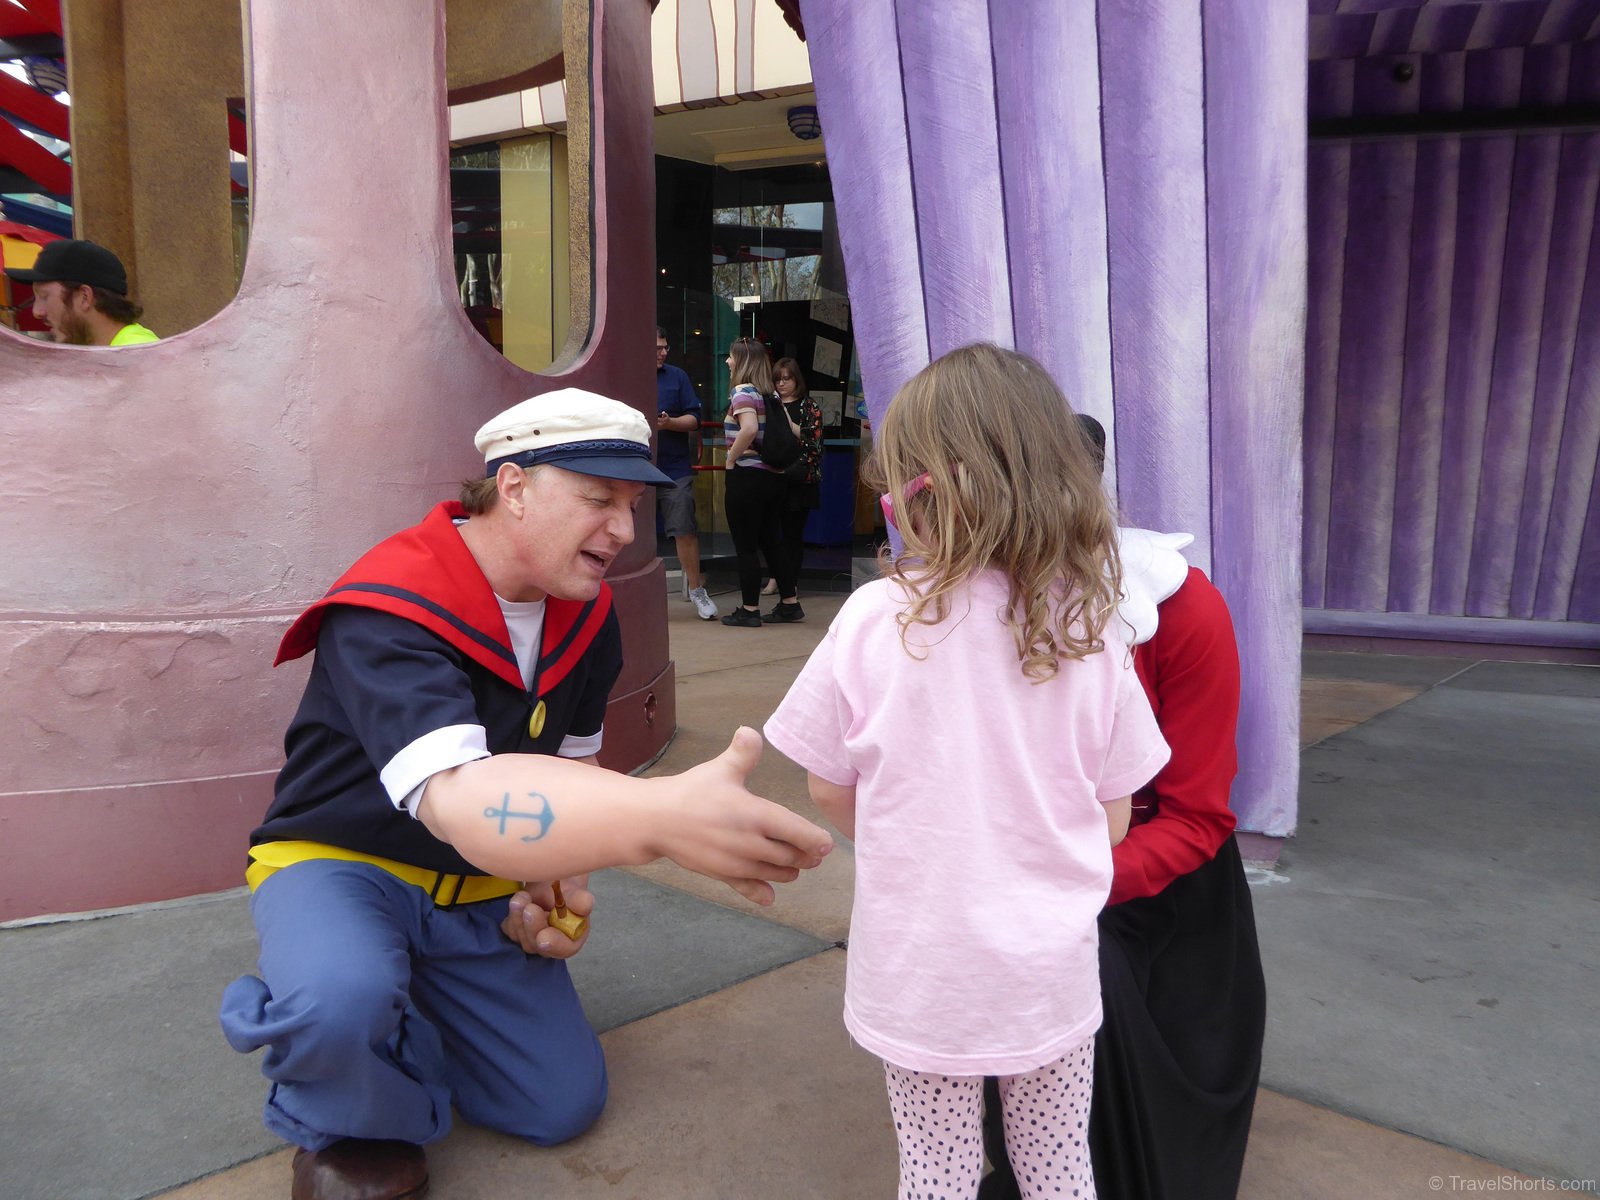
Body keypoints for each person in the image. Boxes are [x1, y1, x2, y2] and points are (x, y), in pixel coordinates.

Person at [219, 387, 833, 1200]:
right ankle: (342, 1087)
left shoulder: (588, 615)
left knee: (557, 1104)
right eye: (598, 499)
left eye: (631, 505)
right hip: (342, 864)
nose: (624, 529)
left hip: (480, 888)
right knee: (341, 998)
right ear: (513, 486)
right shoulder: (392, 602)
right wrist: (660, 816)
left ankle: (391, 1009)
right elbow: (457, 797)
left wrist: (556, 892)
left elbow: (572, 775)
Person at [764, 344, 1171, 1199]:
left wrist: (913, 839)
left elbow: (828, 784)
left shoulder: (873, 621)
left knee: (937, 1167)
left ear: (921, 497)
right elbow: (1116, 812)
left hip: (922, 970)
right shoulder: (1094, 629)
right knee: (1058, 1162)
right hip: (1050, 972)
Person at [977, 415, 1267, 1200]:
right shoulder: (969, 606)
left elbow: (1197, 817)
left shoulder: (1180, 609)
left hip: (1162, 891)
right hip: (1032, 878)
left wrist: (1063, 888)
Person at [719, 337, 802, 627]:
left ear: (742, 362)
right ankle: (790, 603)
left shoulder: (742, 392)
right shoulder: (772, 395)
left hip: (747, 477)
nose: (728, 361)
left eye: (731, 357)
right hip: (774, 478)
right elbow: (795, 431)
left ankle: (749, 609)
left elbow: (749, 428)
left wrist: (731, 459)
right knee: (771, 542)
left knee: (745, 546)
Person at [655, 326, 718, 620]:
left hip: (674, 467)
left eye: (665, 347)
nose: (663, 352)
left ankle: (696, 589)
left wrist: (670, 423)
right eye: (657, 348)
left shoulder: (677, 376)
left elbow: (694, 419)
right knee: (624, 531)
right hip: (635, 467)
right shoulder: (628, 373)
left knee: (684, 528)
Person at [2, 238, 159, 346]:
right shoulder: (112, 353)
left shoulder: (136, 354)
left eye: (44, 296)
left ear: (85, 297)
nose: (37, 312)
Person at [770, 357, 823, 618]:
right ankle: (775, 577)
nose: (781, 384)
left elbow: (813, 442)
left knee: (792, 534)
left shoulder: (808, 405)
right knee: (770, 533)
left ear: (796, 379)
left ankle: (791, 583)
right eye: (777, 379)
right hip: (772, 476)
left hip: (799, 479)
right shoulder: (770, 404)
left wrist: (787, 421)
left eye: (786, 378)